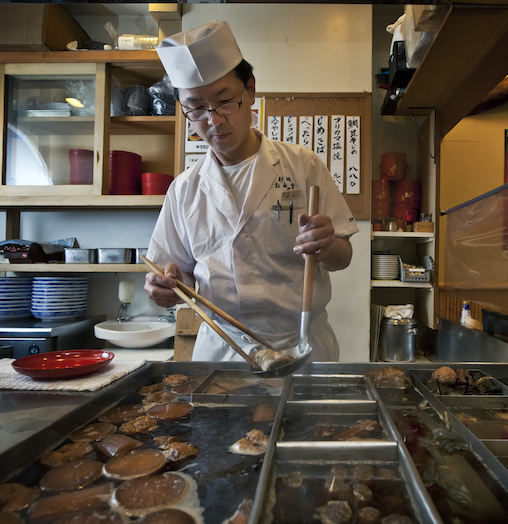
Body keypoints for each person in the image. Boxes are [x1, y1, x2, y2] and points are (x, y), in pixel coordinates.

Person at [145, 21, 358, 362]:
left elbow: (343, 257)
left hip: (302, 344)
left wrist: (328, 245)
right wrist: (168, 287)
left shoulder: (303, 166)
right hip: (223, 349)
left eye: (225, 101)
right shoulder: (184, 190)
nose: (213, 120)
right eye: (196, 108)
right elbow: (178, 271)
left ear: (251, 90)